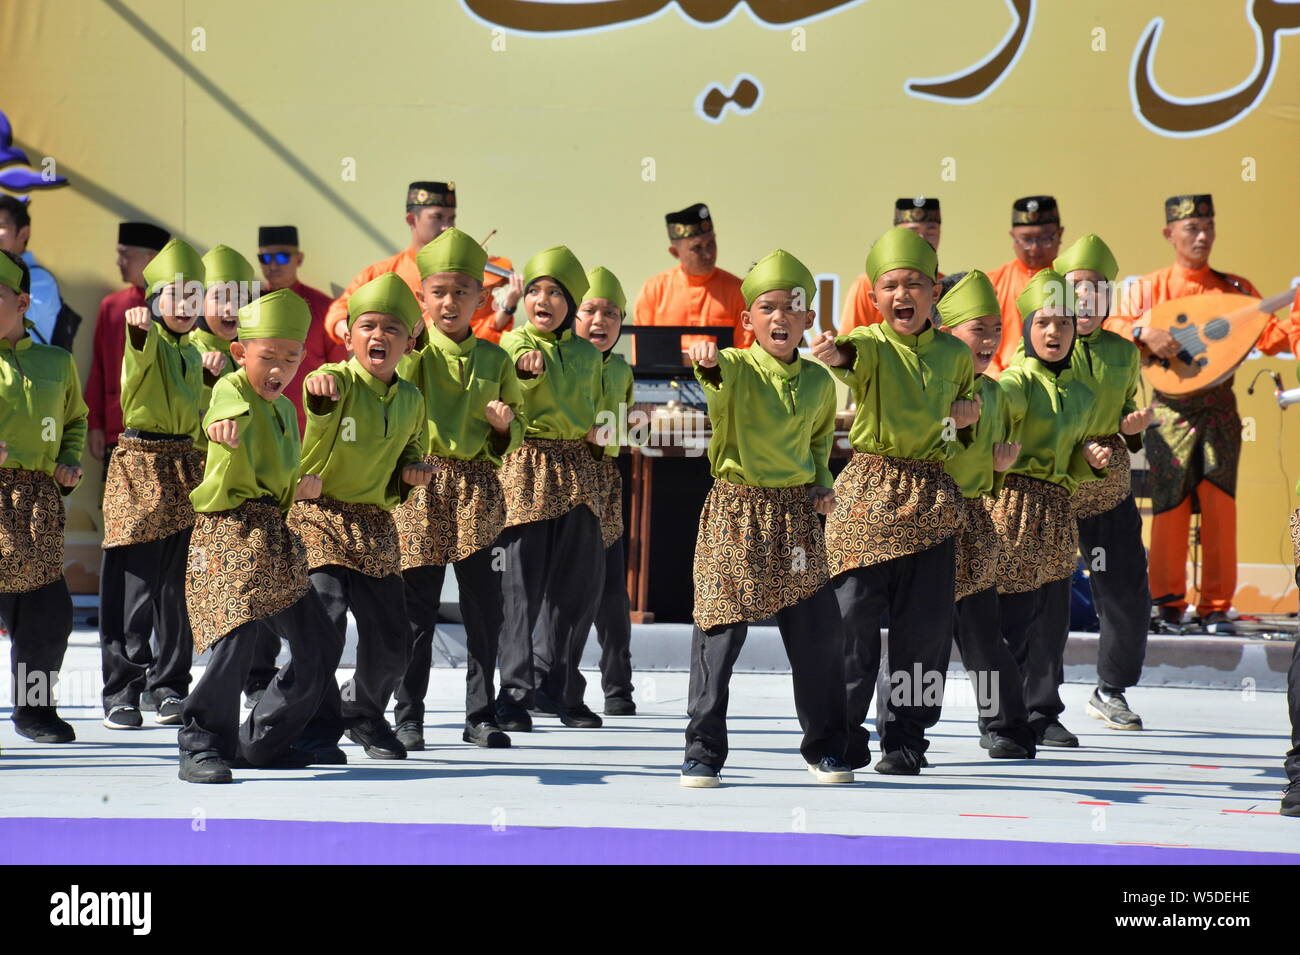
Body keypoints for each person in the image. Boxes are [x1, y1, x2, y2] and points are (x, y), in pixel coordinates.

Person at [680, 249, 851, 788]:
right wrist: (706, 359)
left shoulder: (822, 384)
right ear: (748, 321)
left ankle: (825, 746)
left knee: (818, 637)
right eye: (767, 308)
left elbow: (821, 446)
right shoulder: (735, 367)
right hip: (738, 511)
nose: (780, 318)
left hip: (798, 518)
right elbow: (711, 372)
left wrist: (823, 486)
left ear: (807, 319)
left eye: (792, 309)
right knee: (719, 630)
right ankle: (703, 751)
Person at [812, 226, 977, 775]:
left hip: (931, 498)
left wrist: (964, 422)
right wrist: (834, 352)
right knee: (851, 618)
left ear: (933, 292)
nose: (902, 295)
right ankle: (840, 733)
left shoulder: (956, 355)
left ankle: (906, 738)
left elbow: (963, 425)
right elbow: (846, 358)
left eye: (915, 284)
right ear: (875, 296)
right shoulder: (868, 344)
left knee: (924, 633)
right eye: (891, 286)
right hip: (869, 494)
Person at [1107, 194, 1300, 631]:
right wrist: (1144, 331)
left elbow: (1275, 337)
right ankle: (1166, 603)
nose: (1202, 236)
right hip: (1168, 413)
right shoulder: (1151, 287)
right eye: (1192, 228)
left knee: (1219, 505)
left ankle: (1215, 606)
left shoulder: (1235, 290)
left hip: (1219, 413)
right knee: (1169, 505)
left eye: (1208, 226)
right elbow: (1113, 323)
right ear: (1169, 234)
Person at [177, 288, 340, 782]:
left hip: (275, 532)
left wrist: (301, 486)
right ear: (240, 353)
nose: (280, 369)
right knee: (236, 637)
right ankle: (201, 742)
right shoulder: (232, 389)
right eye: (267, 356)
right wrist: (220, 427)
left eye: (291, 359)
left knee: (319, 641)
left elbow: (282, 474)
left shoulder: (288, 411)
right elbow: (221, 412)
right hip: (229, 530)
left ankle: (263, 741)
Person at [391, 228, 524, 751]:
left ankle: (480, 713)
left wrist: (499, 426)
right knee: (415, 608)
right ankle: (408, 714)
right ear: (422, 297)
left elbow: (514, 431)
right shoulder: (414, 354)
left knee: (484, 610)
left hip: (477, 490)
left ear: (482, 299)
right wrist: (408, 345)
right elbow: (390, 393)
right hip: (421, 485)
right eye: (439, 292)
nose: (450, 302)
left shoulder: (495, 360)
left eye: (462, 291)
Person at [291, 273, 430, 762]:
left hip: (374, 523)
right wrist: (320, 391)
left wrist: (414, 472)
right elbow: (317, 398)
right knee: (325, 622)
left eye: (392, 328)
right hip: (319, 515)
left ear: (409, 342)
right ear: (348, 336)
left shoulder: (413, 399)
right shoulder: (332, 380)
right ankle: (314, 724)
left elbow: (415, 451)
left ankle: (364, 713)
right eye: (367, 325)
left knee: (395, 639)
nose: (379, 335)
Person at [993, 269, 1110, 749]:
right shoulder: (1015, 382)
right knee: (1011, 620)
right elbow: (994, 406)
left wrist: (1090, 462)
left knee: (1051, 621)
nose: (1053, 332)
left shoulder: (1082, 394)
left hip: (1058, 511)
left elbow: (1074, 462)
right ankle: (1002, 719)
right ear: (1026, 329)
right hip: (1014, 505)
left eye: (1063, 323)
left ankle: (1043, 712)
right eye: (1042, 323)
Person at [495, 246, 606, 731]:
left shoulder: (587, 352)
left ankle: (560, 688)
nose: (543, 300)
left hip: (579, 470)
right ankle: (513, 695)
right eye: (536, 290)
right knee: (520, 589)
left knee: (576, 590)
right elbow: (513, 374)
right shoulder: (514, 344)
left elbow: (597, 411)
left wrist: (603, 435)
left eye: (556, 293)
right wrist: (524, 369)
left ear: (572, 303)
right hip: (528, 465)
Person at [98, 239, 206, 730]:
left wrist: (210, 377)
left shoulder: (199, 351)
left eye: (193, 297)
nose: (184, 307)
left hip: (185, 465)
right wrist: (139, 330)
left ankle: (169, 686)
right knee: (135, 587)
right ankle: (123, 689)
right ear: (155, 301)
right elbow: (137, 360)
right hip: (141, 464)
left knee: (177, 591)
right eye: (174, 296)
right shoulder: (145, 336)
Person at [1049, 234, 1153, 730]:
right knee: (1041, 592)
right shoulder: (1044, 344)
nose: (1085, 299)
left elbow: (1127, 413)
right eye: (1075, 289)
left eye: (1096, 289)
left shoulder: (1122, 352)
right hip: (1049, 485)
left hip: (1106, 486)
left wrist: (1131, 431)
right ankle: (1037, 699)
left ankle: (1110, 689)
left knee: (1126, 589)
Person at [933, 269, 1035, 759]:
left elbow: (988, 465)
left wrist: (998, 471)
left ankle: (1006, 726)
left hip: (971, 521)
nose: (991, 339)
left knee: (980, 634)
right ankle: (902, 733)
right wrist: (950, 423)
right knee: (919, 636)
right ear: (948, 333)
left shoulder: (996, 394)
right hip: (922, 516)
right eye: (978, 329)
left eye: (996, 328)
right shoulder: (924, 387)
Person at [0, 250, 86, 744]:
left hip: (36, 503)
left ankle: (34, 712)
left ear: (23, 302)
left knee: (47, 614)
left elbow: (75, 418)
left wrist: (68, 463)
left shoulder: (56, 362)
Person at [323, 183, 519, 349]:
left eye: (451, 218)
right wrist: (363, 340)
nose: (447, 227)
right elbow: (339, 313)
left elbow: (485, 334)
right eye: (438, 217)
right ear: (411, 219)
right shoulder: (383, 272)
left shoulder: (474, 274)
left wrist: (507, 309)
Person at [572, 266, 637, 716]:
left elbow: (622, 423)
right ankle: (553, 684)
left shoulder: (623, 369)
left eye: (611, 313)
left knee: (613, 593)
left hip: (606, 483)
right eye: (590, 310)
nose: (600, 321)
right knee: (566, 593)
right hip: (561, 483)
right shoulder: (561, 360)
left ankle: (618, 687)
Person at [86, 222, 171, 475]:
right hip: (118, 429)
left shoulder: (179, 309)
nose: (118, 261)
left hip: (168, 435)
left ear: (152, 258)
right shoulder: (112, 306)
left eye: (126, 254)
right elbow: (99, 368)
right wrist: (96, 424)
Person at [255, 225, 346, 431]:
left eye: (282, 257)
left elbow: (338, 369)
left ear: (299, 259)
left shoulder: (324, 308)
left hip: (308, 427)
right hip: (259, 425)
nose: (273, 265)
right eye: (266, 259)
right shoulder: (250, 307)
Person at [633, 202, 749, 351]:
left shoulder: (738, 291)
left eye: (711, 244)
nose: (708, 254)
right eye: (697, 248)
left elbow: (746, 352)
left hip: (721, 374)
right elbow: (643, 353)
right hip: (665, 375)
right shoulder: (654, 290)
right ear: (675, 252)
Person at [839, 197, 943, 333]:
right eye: (913, 233)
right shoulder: (866, 283)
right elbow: (849, 342)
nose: (922, 239)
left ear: (935, 292)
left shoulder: (947, 283)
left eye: (930, 233)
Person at [987, 195, 1064, 374]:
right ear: (1013, 237)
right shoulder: (991, 283)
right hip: (1002, 382)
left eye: (1045, 238)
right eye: (1026, 240)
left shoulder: (1073, 283)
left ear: (1059, 234)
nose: (1035, 248)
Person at [193, 244, 256, 449]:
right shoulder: (187, 350)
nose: (231, 308)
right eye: (219, 298)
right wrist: (199, 375)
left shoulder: (254, 352)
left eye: (240, 298)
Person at [0, 196, 76, 350]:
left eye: (1, 225)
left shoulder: (40, 280)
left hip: (29, 372)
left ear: (23, 234)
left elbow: (12, 319)